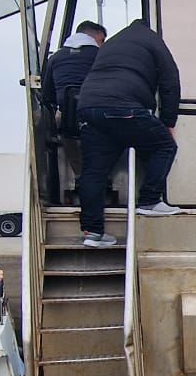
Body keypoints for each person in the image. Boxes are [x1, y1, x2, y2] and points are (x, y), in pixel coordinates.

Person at [72, 19, 184, 247]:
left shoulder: (111, 44)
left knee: (94, 171)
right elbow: (170, 81)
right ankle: (150, 200)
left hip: (89, 109)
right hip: (124, 108)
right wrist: (168, 122)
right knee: (165, 146)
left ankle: (93, 233)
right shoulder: (153, 41)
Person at [35, 22, 106, 206]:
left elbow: (47, 95)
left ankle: (80, 177)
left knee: (67, 137)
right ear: (94, 35)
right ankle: (99, 180)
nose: (103, 43)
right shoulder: (100, 55)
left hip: (67, 118)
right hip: (97, 115)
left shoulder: (56, 58)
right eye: (102, 39)